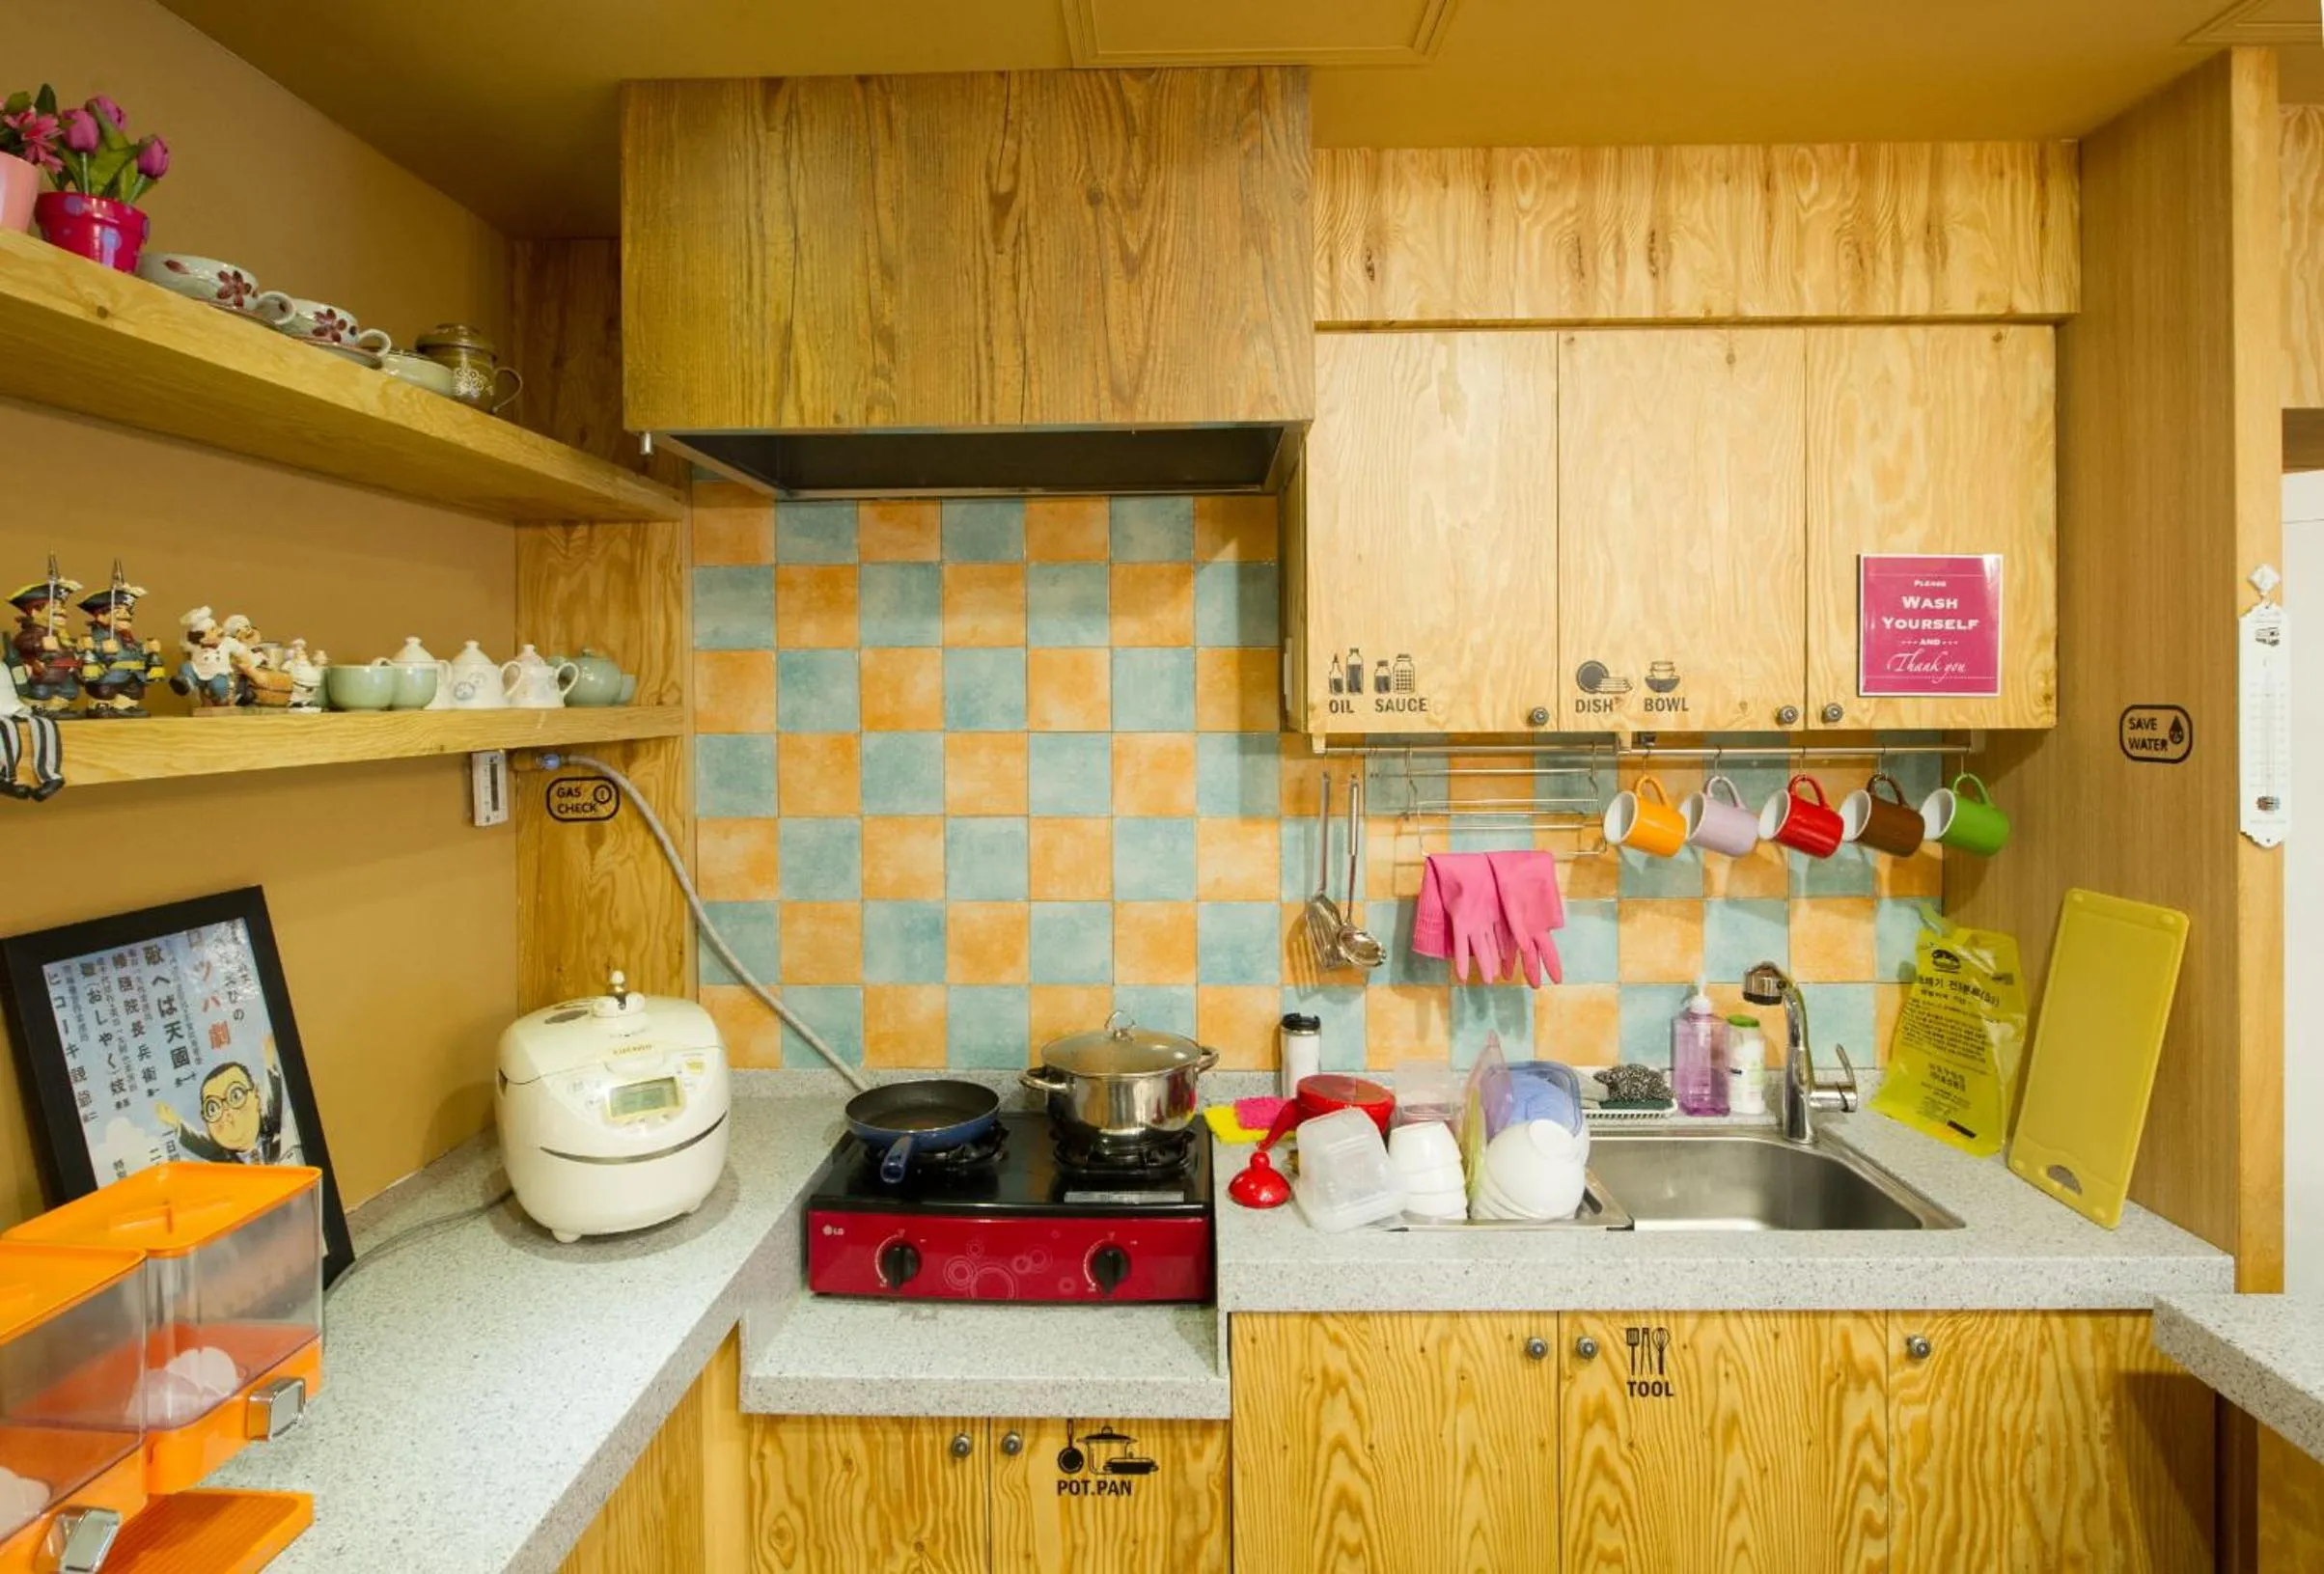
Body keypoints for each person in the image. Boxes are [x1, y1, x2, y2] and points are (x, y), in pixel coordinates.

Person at [157, 1037, 288, 1165]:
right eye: (213, 1109)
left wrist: (270, 1064)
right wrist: (175, 1123)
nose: (226, 1112)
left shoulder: (269, 1130)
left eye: (235, 1096)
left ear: (256, 1094)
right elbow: (198, 1143)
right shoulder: (223, 1157)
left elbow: (274, 1102)